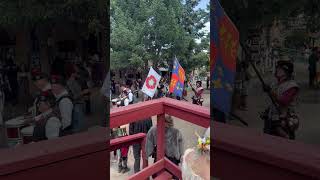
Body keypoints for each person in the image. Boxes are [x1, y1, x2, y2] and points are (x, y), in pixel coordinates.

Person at [262, 60, 299, 139]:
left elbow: (284, 101)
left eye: (280, 69)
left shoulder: (292, 86)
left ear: (286, 72)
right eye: (277, 68)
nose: (277, 70)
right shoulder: (275, 83)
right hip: (271, 118)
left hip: (284, 120)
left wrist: (271, 92)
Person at [129, 95, 153, 173]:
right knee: (145, 158)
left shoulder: (132, 117)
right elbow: (150, 131)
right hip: (145, 141)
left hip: (135, 141)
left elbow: (130, 131)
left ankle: (137, 174)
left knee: (137, 158)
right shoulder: (148, 117)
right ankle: (146, 175)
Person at [66, 66, 87, 133]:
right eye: (76, 72)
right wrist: (83, 93)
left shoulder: (75, 81)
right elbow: (72, 96)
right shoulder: (70, 83)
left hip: (80, 103)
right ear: (72, 73)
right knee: (79, 126)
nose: (77, 74)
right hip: (76, 105)